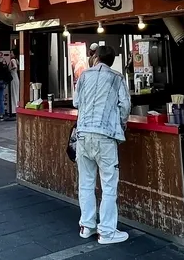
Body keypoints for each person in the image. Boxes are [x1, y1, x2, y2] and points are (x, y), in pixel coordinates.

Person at [73, 45, 131, 245]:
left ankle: (86, 226)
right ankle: (106, 231)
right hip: (105, 136)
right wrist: (121, 123)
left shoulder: (83, 76)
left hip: (82, 135)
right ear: (112, 60)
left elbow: (76, 102)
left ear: (96, 57)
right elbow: (125, 106)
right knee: (108, 184)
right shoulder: (117, 78)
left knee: (86, 183)